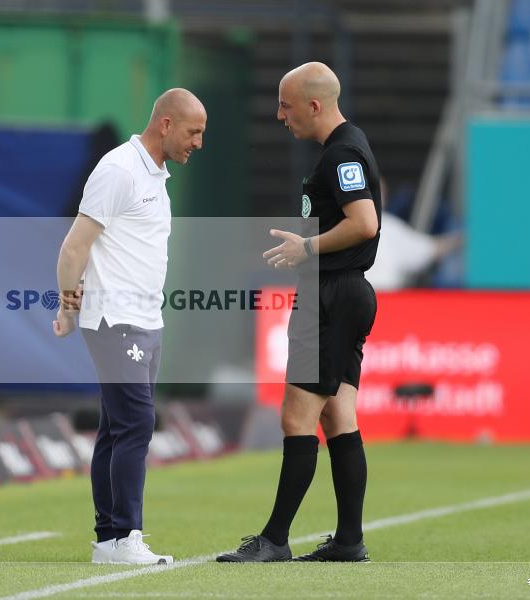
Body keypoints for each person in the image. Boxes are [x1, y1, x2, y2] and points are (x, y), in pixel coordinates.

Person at [217, 62, 380, 563]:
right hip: (344, 292)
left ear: (314, 105)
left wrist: (307, 248)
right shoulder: (344, 149)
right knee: (338, 416)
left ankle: (274, 539)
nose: (279, 115)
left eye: (286, 105)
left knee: (297, 415)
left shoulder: (342, 154)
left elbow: (365, 223)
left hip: (331, 294)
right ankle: (349, 540)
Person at [53, 88, 206, 565]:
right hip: (113, 318)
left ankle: (108, 540)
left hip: (145, 320)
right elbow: (74, 246)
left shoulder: (156, 174)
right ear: (164, 123)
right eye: (193, 132)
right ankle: (124, 537)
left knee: (116, 428)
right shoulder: (118, 169)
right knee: (138, 422)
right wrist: (68, 307)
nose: (198, 143)